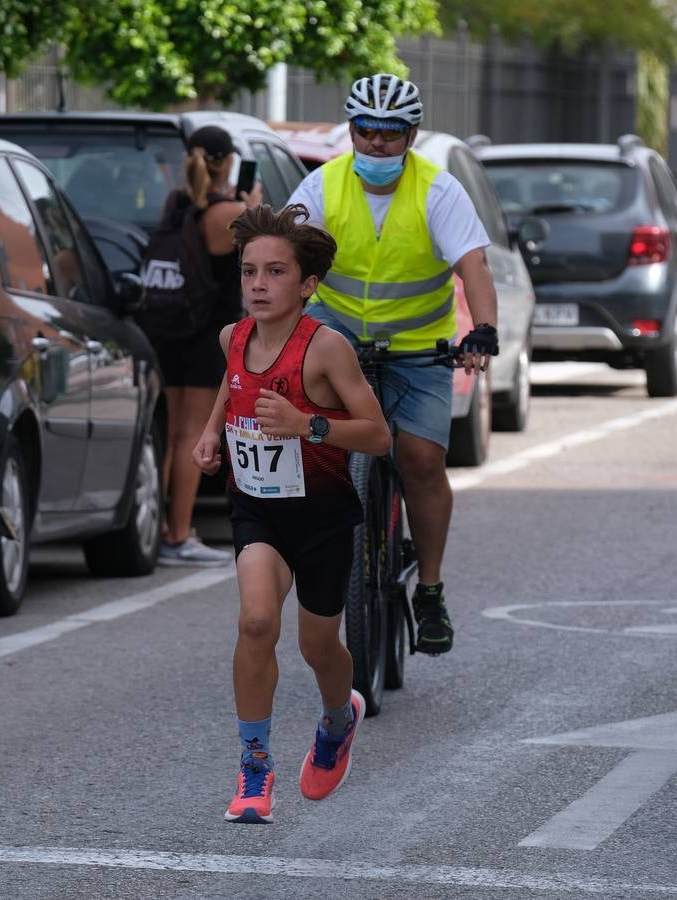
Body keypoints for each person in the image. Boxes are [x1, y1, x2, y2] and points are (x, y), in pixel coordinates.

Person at [285, 73, 498, 656]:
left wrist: (482, 329)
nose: (378, 144)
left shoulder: (439, 190)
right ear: (351, 130)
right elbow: (283, 257)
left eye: (392, 133)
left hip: (417, 347)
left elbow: (473, 267)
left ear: (412, 134)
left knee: (422, 459)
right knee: (308, 445)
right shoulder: (321, 185)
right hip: (336, 339)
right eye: (367, 131)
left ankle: (429, 590)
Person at [192, 203, 392, 824]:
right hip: (257, 508)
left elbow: (379, 436)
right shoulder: (233, 337)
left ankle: (339, 718)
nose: (257, 284)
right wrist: (211, 434)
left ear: (306, 285)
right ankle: (255, 769)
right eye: (249, 271)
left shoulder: (326, 350)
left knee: (318, 647)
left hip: (323, 515)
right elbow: (233, 384)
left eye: (275, 272)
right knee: (256, 623)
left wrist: (309, 424)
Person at [153, 125, 263, 566]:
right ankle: (180, 534)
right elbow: (261, 247)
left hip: (166, 328)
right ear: (228, 162)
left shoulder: (176, 202)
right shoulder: (228, 214)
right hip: (204, 335)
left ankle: (158, 528)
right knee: (192, 436)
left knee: (167, 434)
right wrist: (251, 207)